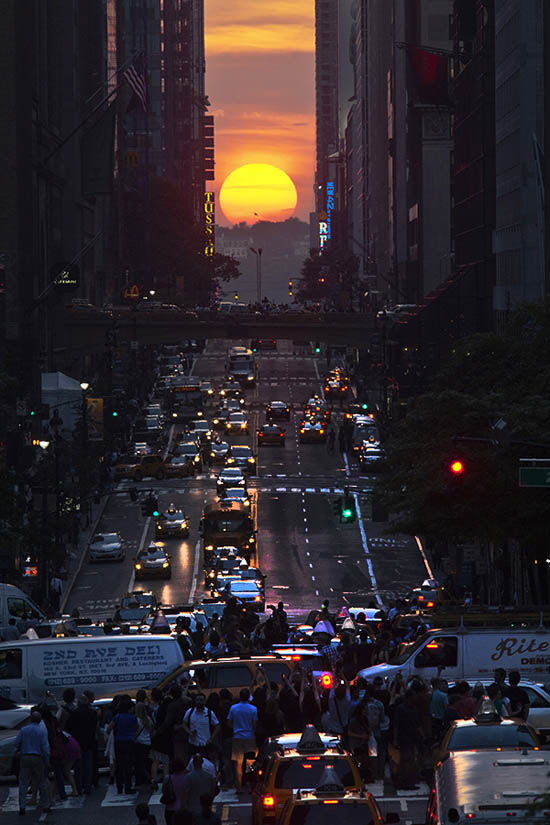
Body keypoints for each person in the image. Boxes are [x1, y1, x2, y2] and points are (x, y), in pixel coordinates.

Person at [16, 711, 51, 815]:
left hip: (25, 756)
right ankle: (46, 805)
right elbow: (45, 747)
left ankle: (22, 806)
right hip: (37, 757)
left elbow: (16, 743)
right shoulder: (41, 731)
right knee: (42, 781)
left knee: (23, 782)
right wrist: (47, 760)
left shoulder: (23, 730)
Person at [227, 688, 257, 793]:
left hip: (237, 736)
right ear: (248, 697)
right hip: (250, 736)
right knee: (250, 763)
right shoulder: (253, 709)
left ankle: (239, 787)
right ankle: (251, 786)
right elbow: (255, 724)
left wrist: (236, 728)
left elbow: (229, 722)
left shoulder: (233, 708)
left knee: (238, 764)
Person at [67, 694, 97, 795]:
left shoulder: (75, 713)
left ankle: (79, 787)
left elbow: (69, 727)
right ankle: (87, 786)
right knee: (88, 766)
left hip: (78, 741)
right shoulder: (92, 713)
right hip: (89, 741)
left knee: (78, 767)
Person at [107, 694, 137, 795]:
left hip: (119, 742)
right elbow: (136, 729)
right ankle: (128, 787)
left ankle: (119, 786)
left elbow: (108, 729)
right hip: (130, 741)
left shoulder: (117, 717)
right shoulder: (133, 718)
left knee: (119, 765)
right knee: (128, 765)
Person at [162, 757, 188, 825]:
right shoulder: (187, 778)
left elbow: (164, 791)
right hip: (183, 807)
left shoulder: (167, 778)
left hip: (170, 808)